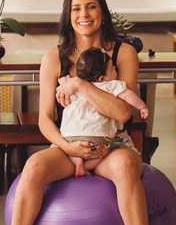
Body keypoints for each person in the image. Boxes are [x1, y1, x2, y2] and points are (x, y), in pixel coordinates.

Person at [0, 0, 157, 225]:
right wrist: (67, 147)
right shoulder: (53, 58)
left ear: (103, 13)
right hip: (68, 144)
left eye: (91, 6)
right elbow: (44, 119)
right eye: (77, 8)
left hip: (114, 146)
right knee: (34, 167)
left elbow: (123, 113)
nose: (84, 14)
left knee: (125, 168)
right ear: (68, 16)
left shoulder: (124, 53)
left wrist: (81, 85)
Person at [59, 48, 149, 178]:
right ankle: (84, 167)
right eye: (112, 68)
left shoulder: (73, 85)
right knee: (104, 153)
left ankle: (76, 160)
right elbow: (129, 96)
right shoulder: (112, 85)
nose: (115, 70)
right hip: (97, 135)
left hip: (71, 135)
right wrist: (142, 107)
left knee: (70, 153)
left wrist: (67, 83)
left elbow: (61, 86)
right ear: (101, 78)